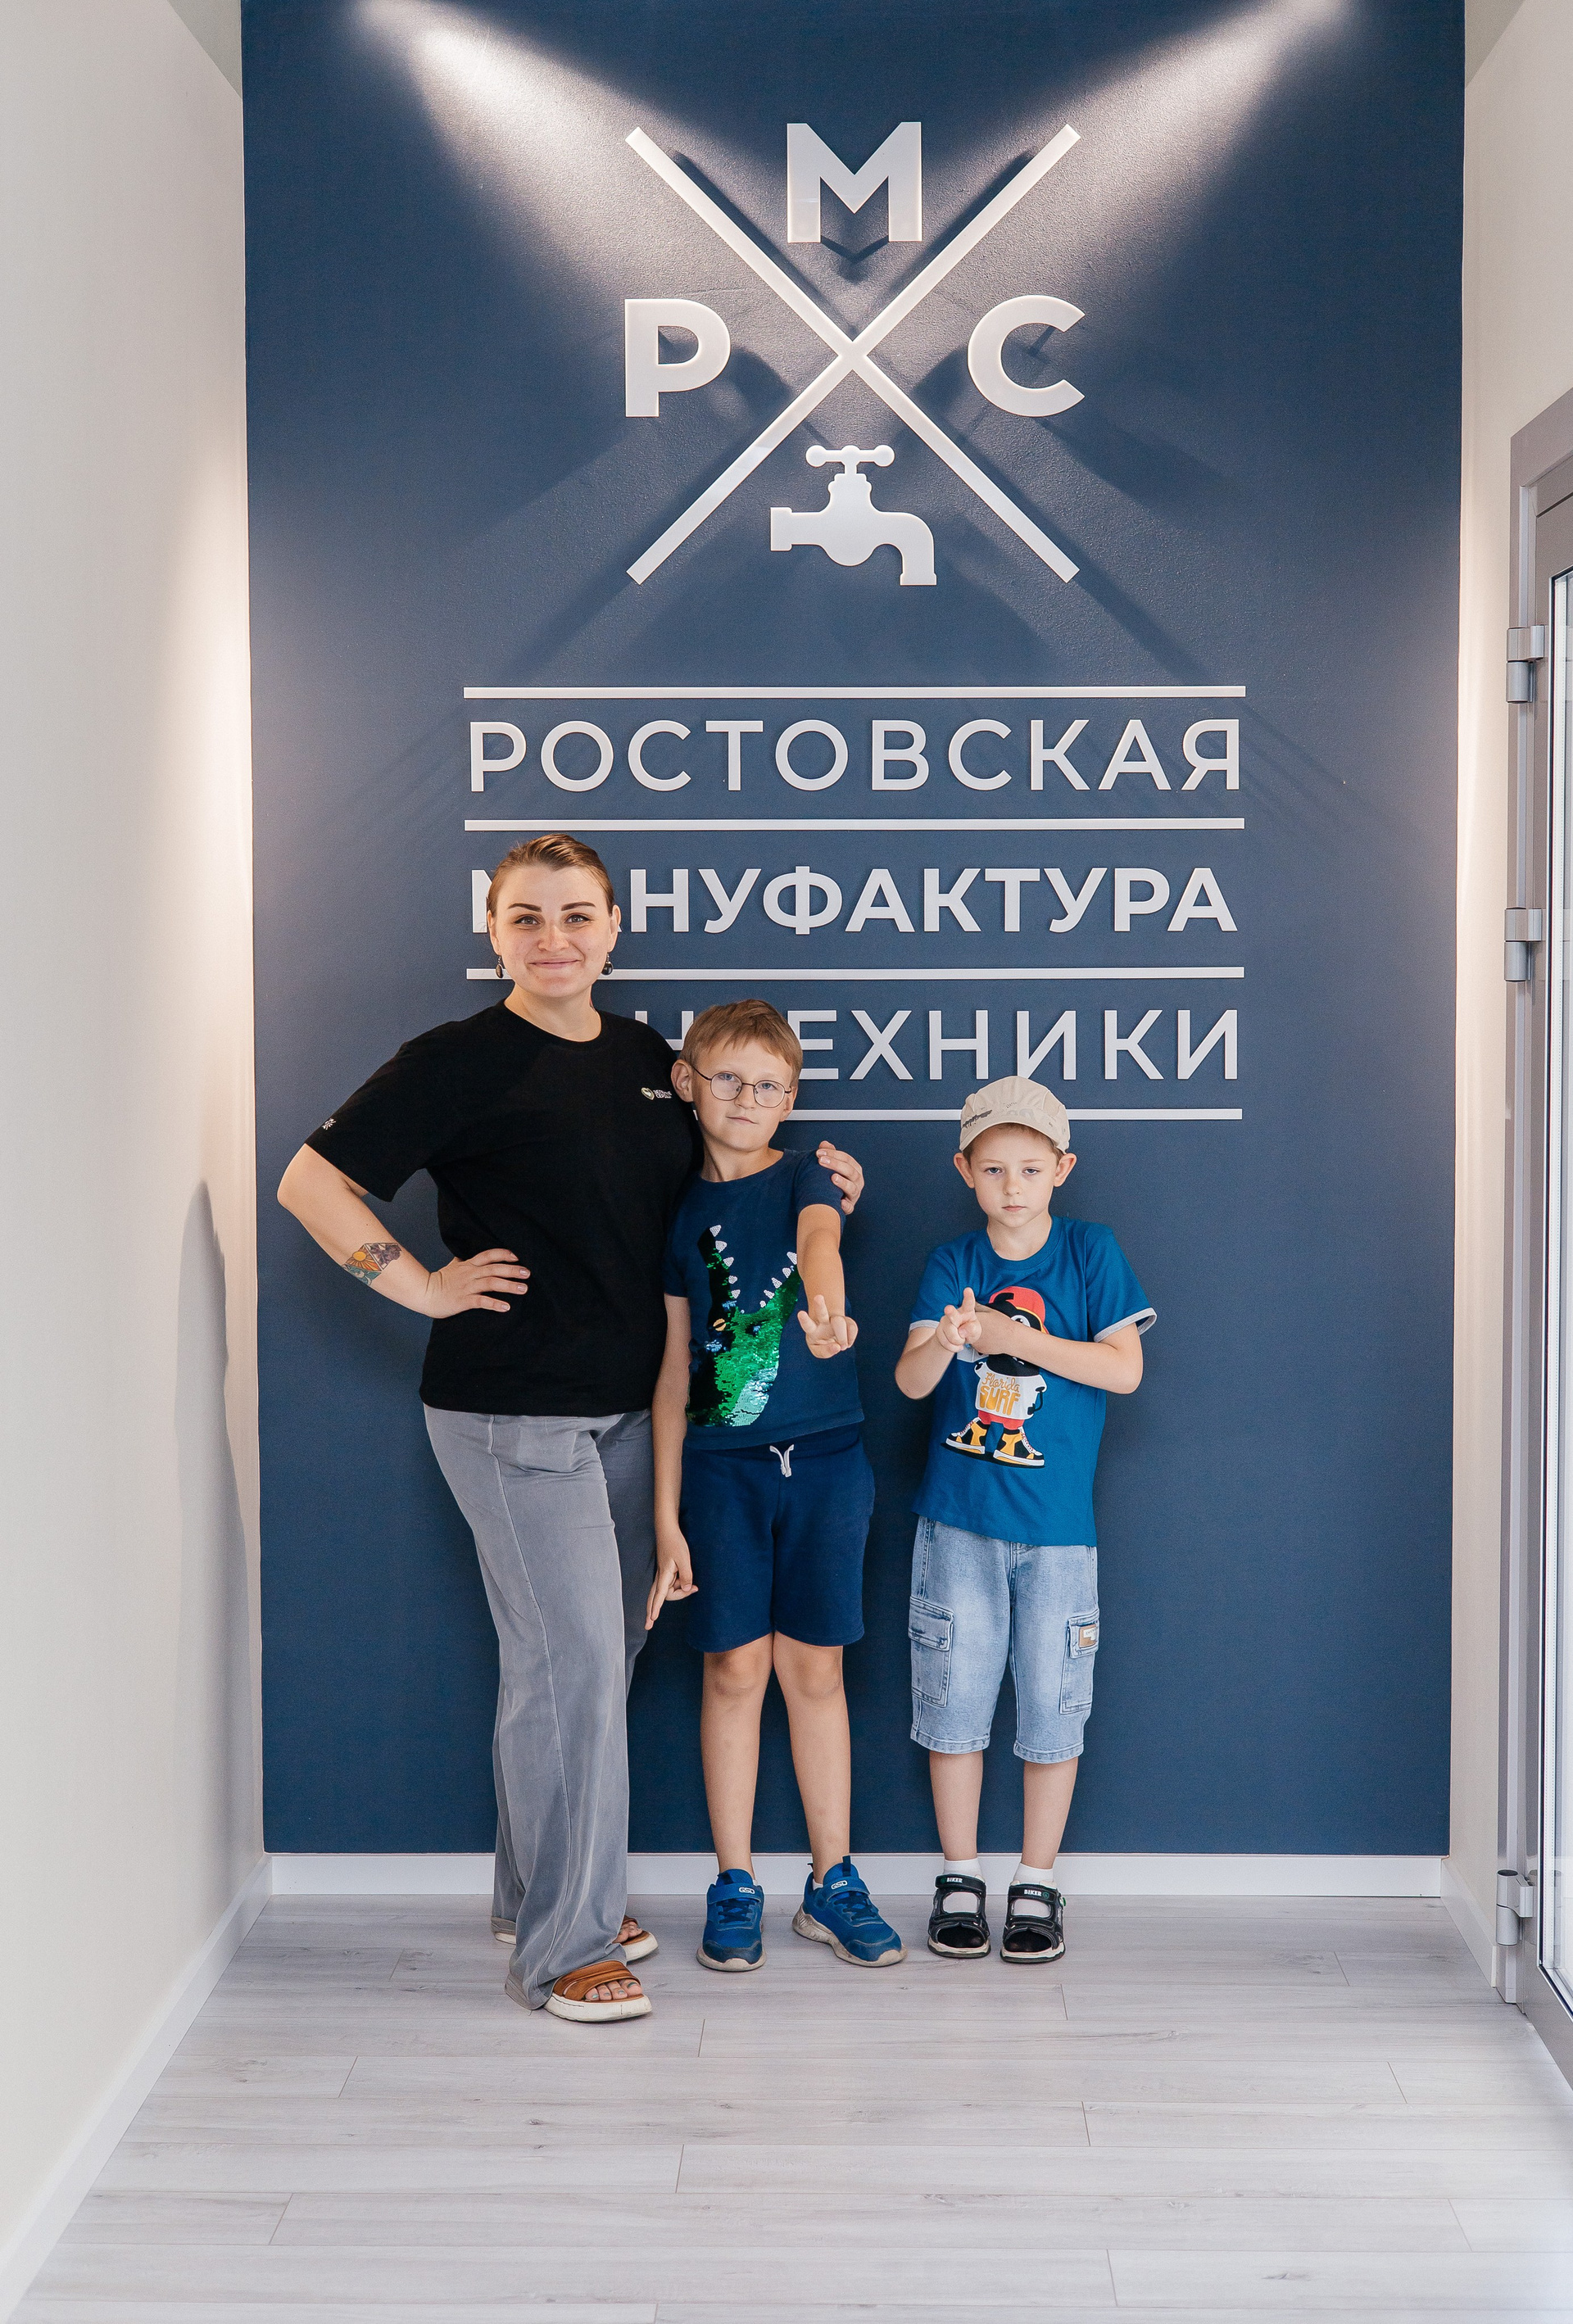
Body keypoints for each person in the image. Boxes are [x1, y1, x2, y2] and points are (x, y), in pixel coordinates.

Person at [276, 834, 864, 2023]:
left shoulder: (648, 1059)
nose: (556, 938)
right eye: (529, 917)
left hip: (630, 1415)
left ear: (612, 928)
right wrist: (419, 1283)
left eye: (578, 915)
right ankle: (564, 1949)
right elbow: (309, 1182)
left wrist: (822, 1189)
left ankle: (535, 1891)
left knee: (583, 1664)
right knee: (578, 1668)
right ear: (494, 930)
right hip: (509, 1414)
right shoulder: (456, 1060)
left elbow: (719, 1179)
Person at [645, 1000, 904, 1974]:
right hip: (721, 1475)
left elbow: (819, 1239)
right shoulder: (677, 1212)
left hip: (828, 1464)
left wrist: (827, 1311)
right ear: (687, 1082)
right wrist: (665, 1514)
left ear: (790, 1099)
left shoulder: (808, 1174)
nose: (746, 1098)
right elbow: (672, 1368)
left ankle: (833, 1881)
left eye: (768, 1085)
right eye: (727, 1078)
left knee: (816, 1672)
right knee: (733, 1672)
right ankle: (735, 1880)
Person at [894, 1076, 1153, 1965]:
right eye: (995, 1167)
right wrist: (943, 1339)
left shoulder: (1089, 1250)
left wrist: (1015, 1340)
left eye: (1031, 1168)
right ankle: (960, 1875)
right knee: (953, 1703)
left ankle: (1036, 1879)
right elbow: (910, 1383)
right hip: (957, 1522)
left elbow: (1124, 1369)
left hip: (1058, 1530)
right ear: (965, 1169)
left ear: (1061, 1169)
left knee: (1053, 1706)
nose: (1013, 1185)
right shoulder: (952, 1261)